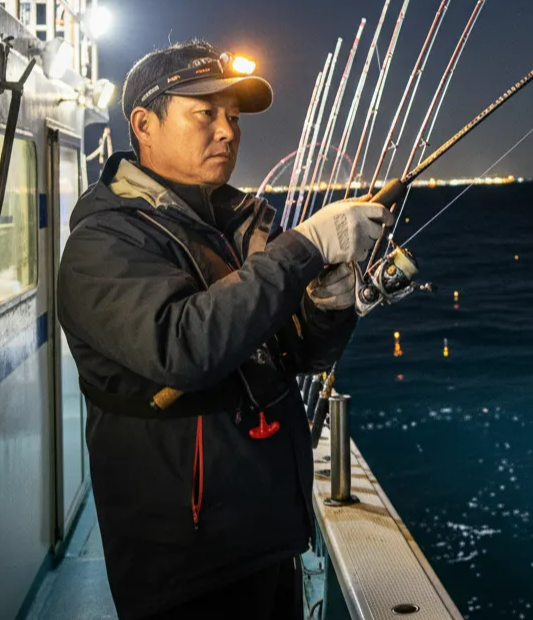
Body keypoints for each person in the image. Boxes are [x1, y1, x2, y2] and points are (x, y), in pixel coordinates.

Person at [57, 40, 392, 620]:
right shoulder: (102, 243)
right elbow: (183, 347)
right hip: (185, 565)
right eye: (204, 113)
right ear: (144, 124)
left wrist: (326, 305)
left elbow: (298, 354)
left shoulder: (239, 223)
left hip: (270, 536)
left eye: (233, 117)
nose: (227, 131)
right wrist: (304, 248)